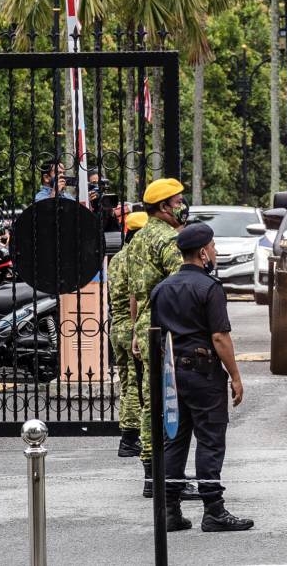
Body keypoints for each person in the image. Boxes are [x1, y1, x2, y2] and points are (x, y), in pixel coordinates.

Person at [151, 223, 252, 532]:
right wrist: (235, 375)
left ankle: (169, 510)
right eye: (213, 247)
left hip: (171, 374)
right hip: (203, 373)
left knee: (175, 439)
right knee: (209, 439)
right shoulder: (209, 288)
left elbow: (155, 336)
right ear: (203, 252)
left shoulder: (162, 288)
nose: (216, 252)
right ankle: (214, 510)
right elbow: (220, 337)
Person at [127, 177, 195, 498]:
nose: (182, 207)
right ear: (164, 208)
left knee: (150, 399)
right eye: (178, 202)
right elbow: (180, 284)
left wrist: (135, 331)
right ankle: (163, 474)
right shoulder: (168, 240)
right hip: (165, 326)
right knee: (166, 401)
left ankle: (151, 472)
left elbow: (132, 292)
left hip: (144, 322)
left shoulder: (138, 239)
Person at [107, 211, 149, 457]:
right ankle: (131, 438)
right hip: (132, 328)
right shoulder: (137, 258)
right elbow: (136, 295)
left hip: (117, 327)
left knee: (126, 383)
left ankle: (128, 433)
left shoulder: (117, 258)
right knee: (136, 385)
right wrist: (136, 329)